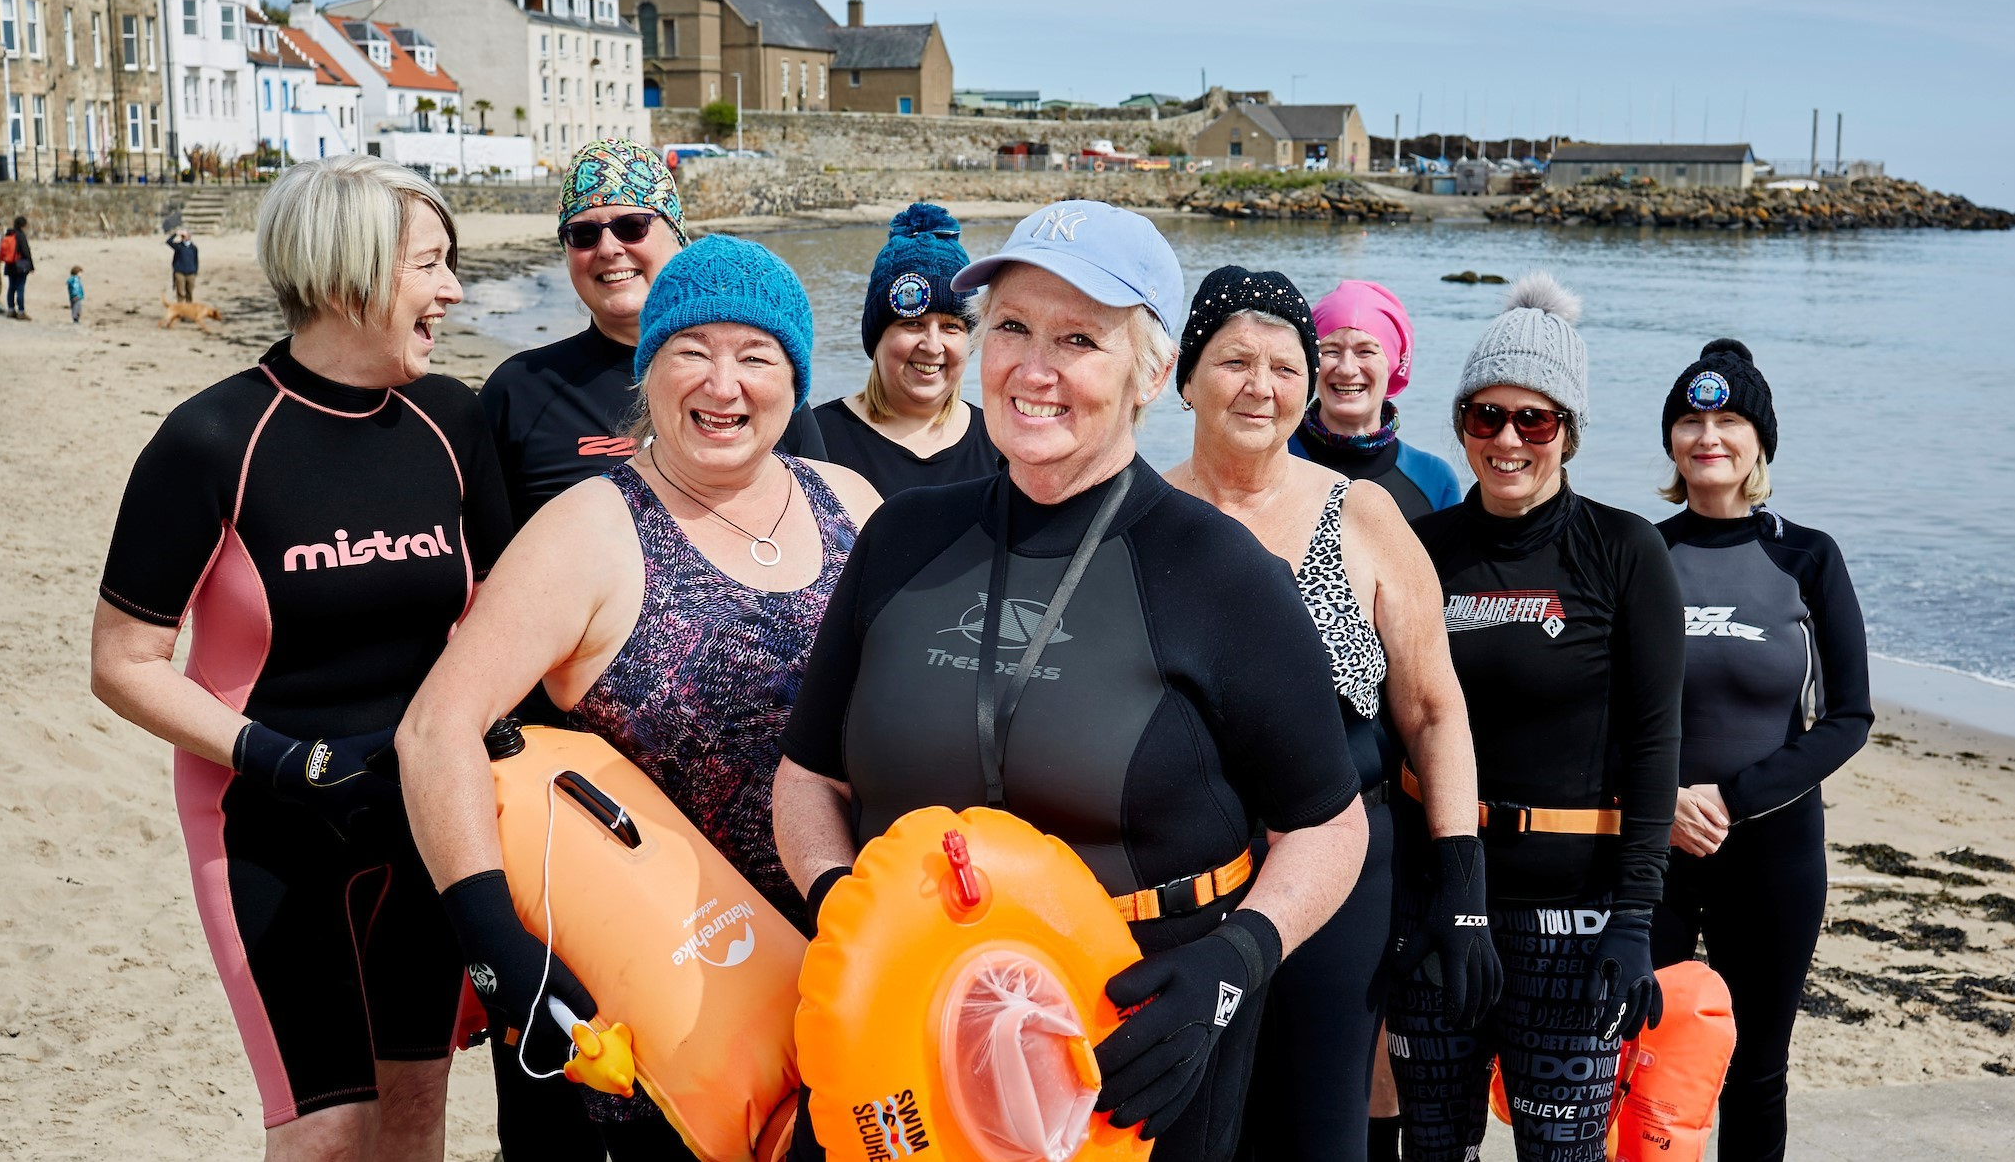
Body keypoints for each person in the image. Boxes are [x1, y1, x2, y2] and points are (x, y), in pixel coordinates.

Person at [775, 201, 1369, 1162]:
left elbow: (1328, 824)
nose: (1033, 368)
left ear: (1149, 374)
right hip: (903, 1026)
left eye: (1079, 339)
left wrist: (1233, 964)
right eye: (1010, 326)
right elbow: (809, 779)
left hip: (1132, 1051)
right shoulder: (902, 540)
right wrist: (843, 905)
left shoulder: (1223, 576)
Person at [398, 233, 880, 1157]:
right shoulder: (589, 529)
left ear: (797, 376)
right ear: (649, 368)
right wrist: (496, 942)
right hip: (665, 1003)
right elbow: (436, 731)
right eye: (691, 351)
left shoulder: (853, 503)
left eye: (756, 355)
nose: (722, 383)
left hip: (846, 976)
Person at [89, 156, 508, 1161]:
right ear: (348, 271)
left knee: (413, 1115)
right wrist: (285, 761)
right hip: (269, 824)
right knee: (326, 1129)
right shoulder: (212, 439)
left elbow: (498, 612)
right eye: (430, 266)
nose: (453, 292)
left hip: (424, 818)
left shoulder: (452, 421)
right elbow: (124, 661)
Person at [1162, 266, 1496, 1162]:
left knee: (1321, 1131)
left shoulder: (1362, 514)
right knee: (1188, 1130)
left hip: (1346, 878)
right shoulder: (1136, 516)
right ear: (1183, 376)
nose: (1260, 387)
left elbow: (1433, 707)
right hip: (1183, 884)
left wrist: (1463, 885)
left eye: (1283, 365)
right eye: (1234, 361)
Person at [1389, 273, 1683, 1162]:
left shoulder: (1626, 551)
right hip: (1439, 899)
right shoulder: (1420, 550)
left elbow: (1656, 743)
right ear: (1460, 425)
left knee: (1563, 1153)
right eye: (1485, 417)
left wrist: (1635, 921)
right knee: (1436, 1147)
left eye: (1535, 419)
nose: (1507, 440)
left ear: (1571, 430)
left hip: (1576, 915)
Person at [1652, 339, 1871, 1162]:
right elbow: (1605, 708)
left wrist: (1732, 800)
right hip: (1654, 843)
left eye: (1729, 418)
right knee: (1641, 1056)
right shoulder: (1640, 551)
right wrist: (1668, 798)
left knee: (1755, 1069)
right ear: (1671, 441)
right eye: (1691, 419)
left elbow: (1848, 717)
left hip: (1771, 849)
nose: (1709, 435)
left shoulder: (1805, 556)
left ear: (1760, 441)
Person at [482, 139, 824, 531]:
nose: (609, 248)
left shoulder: (759, 386)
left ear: (678, 236)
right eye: (583, 235)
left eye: (631, 227)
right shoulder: (519, 390)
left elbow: (820, 526)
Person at [812, 202, 999, 495]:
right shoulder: (815, 440)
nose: (933, 345)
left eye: (952, 327)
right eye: (912, 324)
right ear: (878, 337)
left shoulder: (1001, 443)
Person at [1290, 280, 1460, 520]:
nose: (1347, 369)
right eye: (1331, 350)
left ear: (1394, 363)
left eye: (1365, 351)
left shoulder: (1434, 479)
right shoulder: (1270, 460)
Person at [1, 215, 34, 320]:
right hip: (20, 266)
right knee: (20, 288)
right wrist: (31, 266)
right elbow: (25, 252)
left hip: (9, 264)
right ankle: (21, 312)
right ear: (23, 225)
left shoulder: (9, 234)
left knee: (11, 287)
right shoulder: (20, 236)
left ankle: (11, 310)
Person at [168, 227, 202, 302]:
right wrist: (176, 233)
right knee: (180, 293)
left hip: (191, 273)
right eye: (182, 236)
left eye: (184, 236)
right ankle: (180, 310)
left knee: (189, 293)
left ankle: (188, 310)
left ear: (189, 236)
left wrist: (195, 272)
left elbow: (195, 260)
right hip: (179, 272)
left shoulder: (193, 248)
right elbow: (168, 242)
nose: (183, 238)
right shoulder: (179, 246)